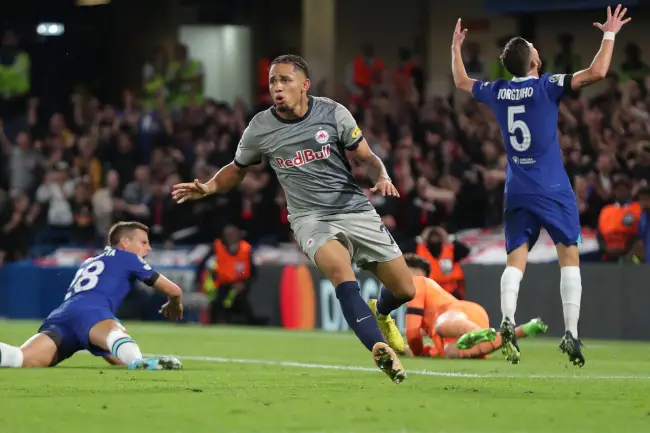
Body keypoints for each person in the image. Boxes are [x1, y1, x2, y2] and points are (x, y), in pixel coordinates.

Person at [172, 54, 416, 384]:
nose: (277, 87)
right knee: (342, 274)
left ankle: (381, 311)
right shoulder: (260, 127)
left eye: (285, 80)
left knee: (405, 289)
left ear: (304, 85)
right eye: (273, 81)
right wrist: (211, 186)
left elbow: (366, 157)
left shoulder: (332, 112)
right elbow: (237, 168)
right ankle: (378, 348)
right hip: (309, 218)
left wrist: (382, 174)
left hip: (354, 209)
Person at [450, 5, 632, 366]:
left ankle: (506, 320)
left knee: (515, 260)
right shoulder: (547, 85)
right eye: (534, 47)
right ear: (532, 62)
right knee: (569, 257)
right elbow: (598, 72)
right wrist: (609, 33)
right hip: (552, 187)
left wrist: (455, 48)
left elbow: (460, 81)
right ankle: (571, 333)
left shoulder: (498, 91)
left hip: (517, 188)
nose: (537, 49)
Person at [0, 221, 184, 370]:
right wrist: (175, 303)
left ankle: (135, 360)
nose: (149, 248)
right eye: (143, 242)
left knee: (20, 358)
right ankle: (139, 363)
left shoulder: (90, 261)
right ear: (125, 242)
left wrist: (123, 356)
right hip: (91, 312)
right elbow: (174, 290)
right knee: (115, 331)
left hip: (63, 315)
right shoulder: (128, 258)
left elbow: (110, 353)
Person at [402, 254, 547, 359]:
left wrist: (417, 351)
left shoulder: (417, 282)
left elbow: (412, 332)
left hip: (459, 314)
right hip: (466, 320)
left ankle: (478, 332)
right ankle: (522, 330)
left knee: (441, 325)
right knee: (450, 351)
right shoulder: (427, 291)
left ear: (415, 271)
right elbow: (419, 339)